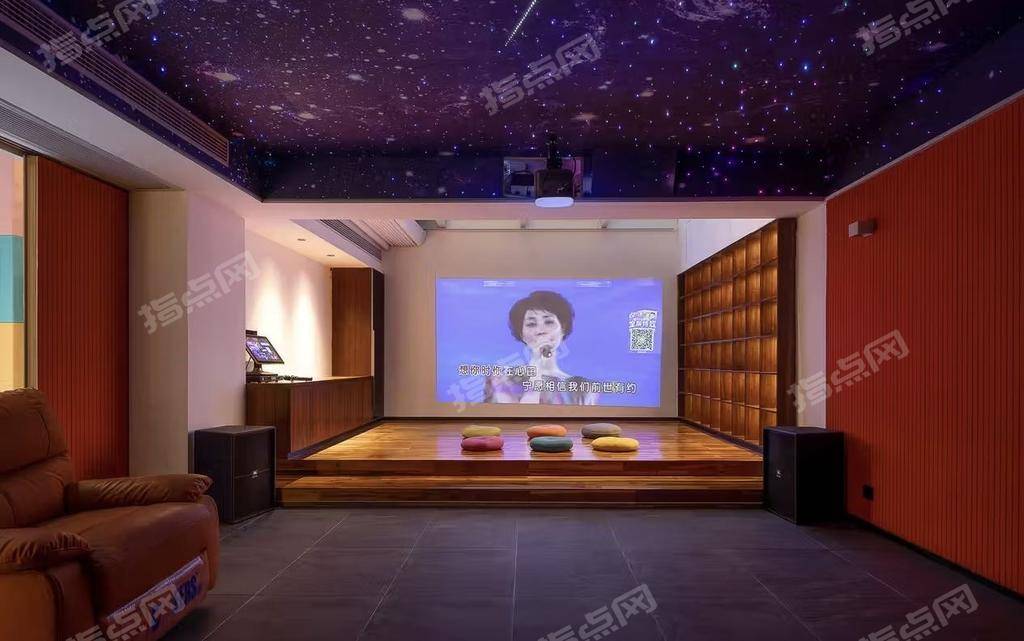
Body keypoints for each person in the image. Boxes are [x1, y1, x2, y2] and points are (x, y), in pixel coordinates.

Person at [484, 290, 599, 405]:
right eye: (531, 324)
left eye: (548, 322)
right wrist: (536, 369)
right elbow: (521, 414)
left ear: (563, 328)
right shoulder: (502, 379)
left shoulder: (583, 388)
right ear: (521, 334)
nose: (541, 331)